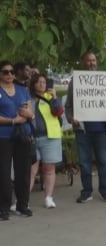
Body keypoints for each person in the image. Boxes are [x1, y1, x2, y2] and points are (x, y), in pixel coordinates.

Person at [65, 51, 106, 203]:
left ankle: (104, 190)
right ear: (83, 62)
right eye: (88, 61)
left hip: (101, 130)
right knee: (85, 163)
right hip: (83, 130)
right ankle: (86, 191)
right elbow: (68, 105)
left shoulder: (105, 80)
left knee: (102, 162)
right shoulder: (75, 81)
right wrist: (70, 118)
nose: (91, 63)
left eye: (93, 60)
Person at [0, 60, 35, 219]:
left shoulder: (22, 90)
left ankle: (22, 205)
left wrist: (29, 115)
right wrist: (13, 121)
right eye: (5, 72)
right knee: (4, 173)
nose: (9, 75)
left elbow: (30, 111)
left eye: (12, 72)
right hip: (4, 136)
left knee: (23, 172)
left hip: (23, 134)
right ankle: (3, 208)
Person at [29, 72, 64, 209]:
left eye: (44, 82)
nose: (42, 84)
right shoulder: (28, 97)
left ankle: (48, 197)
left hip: (50, 137)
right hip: (32, 137)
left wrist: (54, 97)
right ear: (33, 84)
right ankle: (23, 199)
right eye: (39, 82)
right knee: (31, 170)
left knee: (49, 169)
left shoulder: (50, 97)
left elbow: (58, 112)